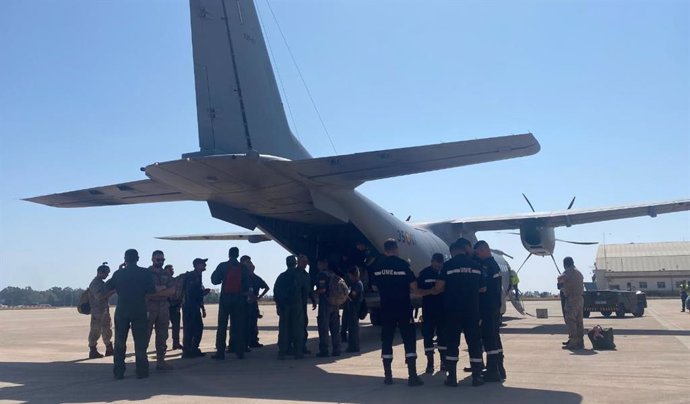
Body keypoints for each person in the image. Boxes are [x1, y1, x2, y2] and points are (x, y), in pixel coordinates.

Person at [430, 238, 484, 387]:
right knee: (474, 343)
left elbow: (439, 286)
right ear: (464, 250)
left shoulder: (448, 266)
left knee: (452, 343)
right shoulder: (476, 266)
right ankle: (477, 376)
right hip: (472, 310)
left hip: (453, 310)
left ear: (452, 251)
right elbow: (483, 288)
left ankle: (452, 377)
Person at [371, 239, 423, 387]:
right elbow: (414, 287)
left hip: (386, 309)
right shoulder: (403, 265)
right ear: (396, 249)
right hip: (403, 308)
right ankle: (412, 376)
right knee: (409, 340)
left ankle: (388, 376)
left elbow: (374, 287)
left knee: (386, 340)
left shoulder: (378, 266)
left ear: (385, 250)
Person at [104, 249, 156, 379]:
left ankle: (118, 372)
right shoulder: (145, 273)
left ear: (125, 259)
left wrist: (120, 271)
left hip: (122, 310)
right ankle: (142, 371)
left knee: (120, 342)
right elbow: (151, 290)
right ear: (137, 258)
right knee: (140, 342)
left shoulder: (118, 274)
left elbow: (107, 287)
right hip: (139, 308)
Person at [211, 246, 253, 360]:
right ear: (238, 255)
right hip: (239, 300)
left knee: (222, 326)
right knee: (238, 326)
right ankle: (240, 351)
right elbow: (248, 283)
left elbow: (214, 280)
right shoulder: (243, 267)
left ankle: (220, 352)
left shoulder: (223, 266)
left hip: (225, 299)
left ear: (229, 254)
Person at [474, 240, 506, 382]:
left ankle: (493, 370)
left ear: (483, 250)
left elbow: (483, 287)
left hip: (487, 307)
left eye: (477, 253)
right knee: (495, 337)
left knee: (489, 339)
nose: (477, 256)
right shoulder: (494, 265)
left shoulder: (487, 266)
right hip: (494, 306)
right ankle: (499, 368)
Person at [274, 255, 311, 360]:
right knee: (298, 329)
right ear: (295, 263)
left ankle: (282, 352)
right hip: (297, 305)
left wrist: (278, 305)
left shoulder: (281, 276)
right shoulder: (300, 275)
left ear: (286, 263)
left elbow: (276, 292)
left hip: (284, 306)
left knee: (284, 329)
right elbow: (306, 290)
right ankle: (298, 352)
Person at [145, 250, 176, 371]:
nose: (161, 262)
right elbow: (145, 292)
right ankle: (142, 362)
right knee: (145, 335)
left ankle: (161, 361)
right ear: (152, 259)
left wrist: (156, 291)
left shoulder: (166, 274)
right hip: (149, 307)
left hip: (163, 307)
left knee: (163, 334)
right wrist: (161, 290)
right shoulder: (146, 274)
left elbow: (172, 290)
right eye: (158, 260)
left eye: (163, 260)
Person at [416, 253, 446, 374]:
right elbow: (417, 291)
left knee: (443, 337)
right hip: (428, 311)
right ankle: (430, 363)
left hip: (443, 311)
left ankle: (443, 361)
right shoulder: (425, 273)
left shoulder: (445, 272)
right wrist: (430, 291)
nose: (438, 265)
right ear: (432, 261)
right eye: (436, 263)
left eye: (440, 263)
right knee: (427, 337)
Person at [181, 258, 210, 358]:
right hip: (190, 307)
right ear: (197, 265)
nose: (205, 265)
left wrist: (202, 308)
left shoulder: (197, 276)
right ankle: (188, 350)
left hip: (193, 306)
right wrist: (202, 292)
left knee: (195, 328)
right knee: (191, 329)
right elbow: (191, 292)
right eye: (203, 264)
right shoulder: (192, 276)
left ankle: (192, 349)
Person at [315, 257, 342, 357]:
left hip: (325, 304)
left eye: (319, 264)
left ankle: (324, 351)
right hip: (335, 303)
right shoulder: (333, 274)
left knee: (323, 328)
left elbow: (322, 290)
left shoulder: (322, 275)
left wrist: (313, 293)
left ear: (322, 265)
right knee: (335, 329)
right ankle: (337, 350)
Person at [242, 255, 270, 348]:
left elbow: (266, 287)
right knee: (246, 324)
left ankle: (253, 341)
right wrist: (254, 296)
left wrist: (257, 297)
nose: (250, 265)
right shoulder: (244, 277)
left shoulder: (254, 278)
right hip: (245, 303)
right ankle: (247, 342)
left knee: (252, 324)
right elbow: (238, 290)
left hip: (251, 304)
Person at [87, 263, 114, 359]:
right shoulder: (95, 283)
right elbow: (99, 296)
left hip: (103, 310)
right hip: (97, 311)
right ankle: (93, 349)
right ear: (100, 272)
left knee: (107, 329)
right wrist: (112, 291)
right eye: (106, 273)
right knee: (96, 330)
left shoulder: (101, 283)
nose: (107, 275)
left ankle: (109, 348)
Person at [558, 257, 585, 350]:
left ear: (565, 264)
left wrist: (560, 280)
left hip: (572, 298)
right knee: (579, 321)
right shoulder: (578, 272)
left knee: (570, 319)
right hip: (580, 298)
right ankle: (580, 341)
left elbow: (560, 278)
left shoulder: (569, 271)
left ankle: (573, 341)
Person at [297, 254, 315, 354]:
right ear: (298, 262)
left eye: (306, 262)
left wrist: (313, 300)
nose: (305, 264)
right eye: (303, 262)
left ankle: (302, 346)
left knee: (303, 325)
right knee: (295, 327)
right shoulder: (294, 274)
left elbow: (309, 290)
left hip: (303, 305)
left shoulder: (307, 275)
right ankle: (295, 348)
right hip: (295, 305)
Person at [345, 266, 364, 353]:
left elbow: (353, 295)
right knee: (352, 328)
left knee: (353, 329)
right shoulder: (355, 284)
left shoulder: (357, 284)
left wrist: (345, 296)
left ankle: (354, 347)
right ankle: (352, 346)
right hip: (352, 308)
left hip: (354, 308)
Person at [165, 264, 183, 351]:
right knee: (164, 327)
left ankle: (176, 343)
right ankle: (162, 344)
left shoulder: (175, 281)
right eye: (170, 269)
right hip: (166, 306)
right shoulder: (163, 282)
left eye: (172, 269)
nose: (172, 271)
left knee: (176, 326)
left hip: (175, 306)